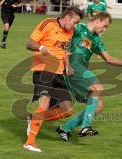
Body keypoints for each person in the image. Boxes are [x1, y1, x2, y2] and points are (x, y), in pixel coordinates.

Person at [56, 12, 122, 142]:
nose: (104, 29)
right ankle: (86, 126)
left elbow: (108, 58)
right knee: (98, 87)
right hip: (73, 67)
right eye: (104, 26)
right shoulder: (79, 28)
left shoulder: (97, 40)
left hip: (81, 69)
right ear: (98, 20)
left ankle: (65, 128)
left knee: (99, 106)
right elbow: (62, 30)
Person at [23, 6, 83, 152]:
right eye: (75, 22)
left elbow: (65, 50)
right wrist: (41, 48)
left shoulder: (70, 31)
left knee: (67, 108)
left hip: (59, 73)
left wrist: (67, 66)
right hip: (43, 70)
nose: (75, 26)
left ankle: (34, 118)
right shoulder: (47, 23)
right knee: (44, 104)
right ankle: (29, 143)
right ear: (67, 18)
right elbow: (30, 43)